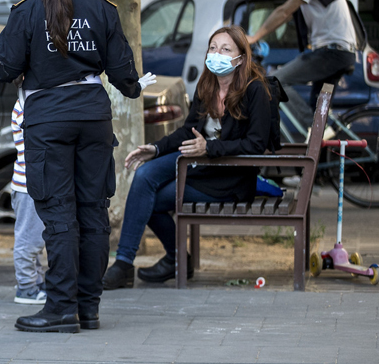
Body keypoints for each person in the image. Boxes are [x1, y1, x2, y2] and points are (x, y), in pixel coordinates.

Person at [0, 0, 156, 333]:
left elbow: (4, 69)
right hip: (93, 117)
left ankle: (59, 310)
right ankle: (87, 309)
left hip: (47, 119)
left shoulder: (26, 11)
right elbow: (126, 77)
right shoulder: (103, 10)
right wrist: (136, 86)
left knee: (58, 216)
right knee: (92, 213)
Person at [103, 26, 271, 288]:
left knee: (152, 200)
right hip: (198, 163)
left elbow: (256, 144)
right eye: (213, 48)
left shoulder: (255, 90)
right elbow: (186, 130)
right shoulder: (207, 85)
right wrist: (156, 148)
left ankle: (175, 258)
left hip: (228, 176)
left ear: (241, 57)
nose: (217, 54)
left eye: (226, 49)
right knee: (144, 174)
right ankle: (125, 263)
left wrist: (210, 149)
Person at [247, 0, 357, 133]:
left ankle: (316, 132)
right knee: (318, 108)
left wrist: (254, 38)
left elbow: (283, 12)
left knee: (275, 81)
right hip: (338, 51)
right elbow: (291, 17)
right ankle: (322, 151)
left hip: (331, 52)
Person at [9, 79, 47, 305]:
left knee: (36, 239)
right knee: (29, 241)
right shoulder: (26, 104)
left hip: (29, 184)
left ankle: (36, 281)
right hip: (27, 186)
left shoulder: (30, 100)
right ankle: (25, 287)